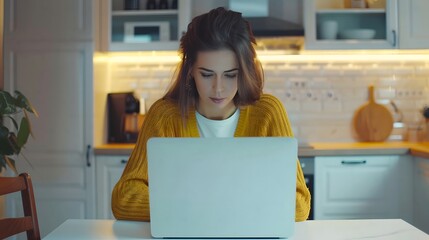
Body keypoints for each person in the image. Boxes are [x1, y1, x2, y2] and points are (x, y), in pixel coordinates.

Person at [111, 7, 311, 222]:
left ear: (245, 72)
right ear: (190, 71)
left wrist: (191, 206)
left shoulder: (268, 113)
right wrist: (228, 206)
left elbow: (299, 205)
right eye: (207, 75)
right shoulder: (164, 116)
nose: (218, 89)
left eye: (230, 75)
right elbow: (124, 198)